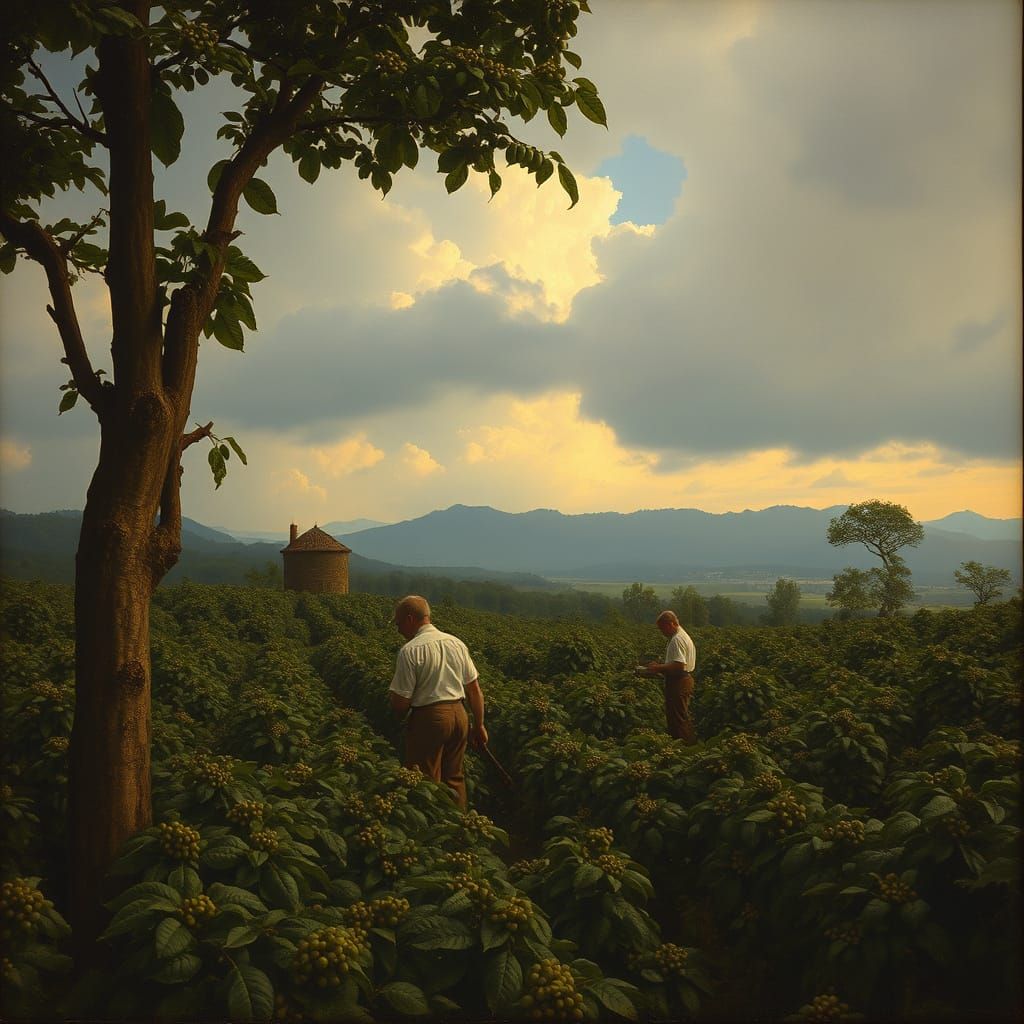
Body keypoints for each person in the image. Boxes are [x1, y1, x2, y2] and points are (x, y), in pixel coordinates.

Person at [388, 595, 488, 809]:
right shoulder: (456, 643)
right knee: (454, 777)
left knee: (424, 780)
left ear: (410, 619)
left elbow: (401, 703)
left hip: (430, 718)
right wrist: (479, 725)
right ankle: (458, 821)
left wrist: (396, 704)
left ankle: (431, 822)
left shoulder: (410, 650)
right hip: (460, 716)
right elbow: (474, 690)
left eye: (399, 623)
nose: (398, 630)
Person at [641, 609, 697, 743]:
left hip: (679, 682)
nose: (662, 632)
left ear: (670, 624)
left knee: (677, 721)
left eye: (663, 628)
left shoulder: (677, 640)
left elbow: (679, 665)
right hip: (682, 680)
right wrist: (661, 666)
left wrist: (657, 668)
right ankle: (686, 746)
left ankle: (683, 748)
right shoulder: (682, 636)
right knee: (680, 716)